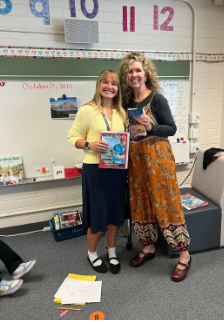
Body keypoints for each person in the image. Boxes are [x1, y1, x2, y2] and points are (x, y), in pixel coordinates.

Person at [119, 51, 191, 282]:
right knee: (141, 203)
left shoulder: (157, 99)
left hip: (158, 160)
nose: (134, 74)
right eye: (130, 71)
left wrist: (151, 128)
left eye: (138, 70)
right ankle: (148, 247)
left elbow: (171, 128)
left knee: (168, 203)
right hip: (137, 161)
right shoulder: (128, 102)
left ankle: (184, 254)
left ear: (146, 73)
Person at [67, 70, 127, 275]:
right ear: (98, 85)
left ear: (118, 88)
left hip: (117, 170)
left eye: (114, 83)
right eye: (105, 82)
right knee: (98, 213)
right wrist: (90, 144)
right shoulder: (87, 110)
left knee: (114, 213)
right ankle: (92, 253)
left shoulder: (123, 112)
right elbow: (72, 137)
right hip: (95, 169)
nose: (110, 86)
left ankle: (112, 252)